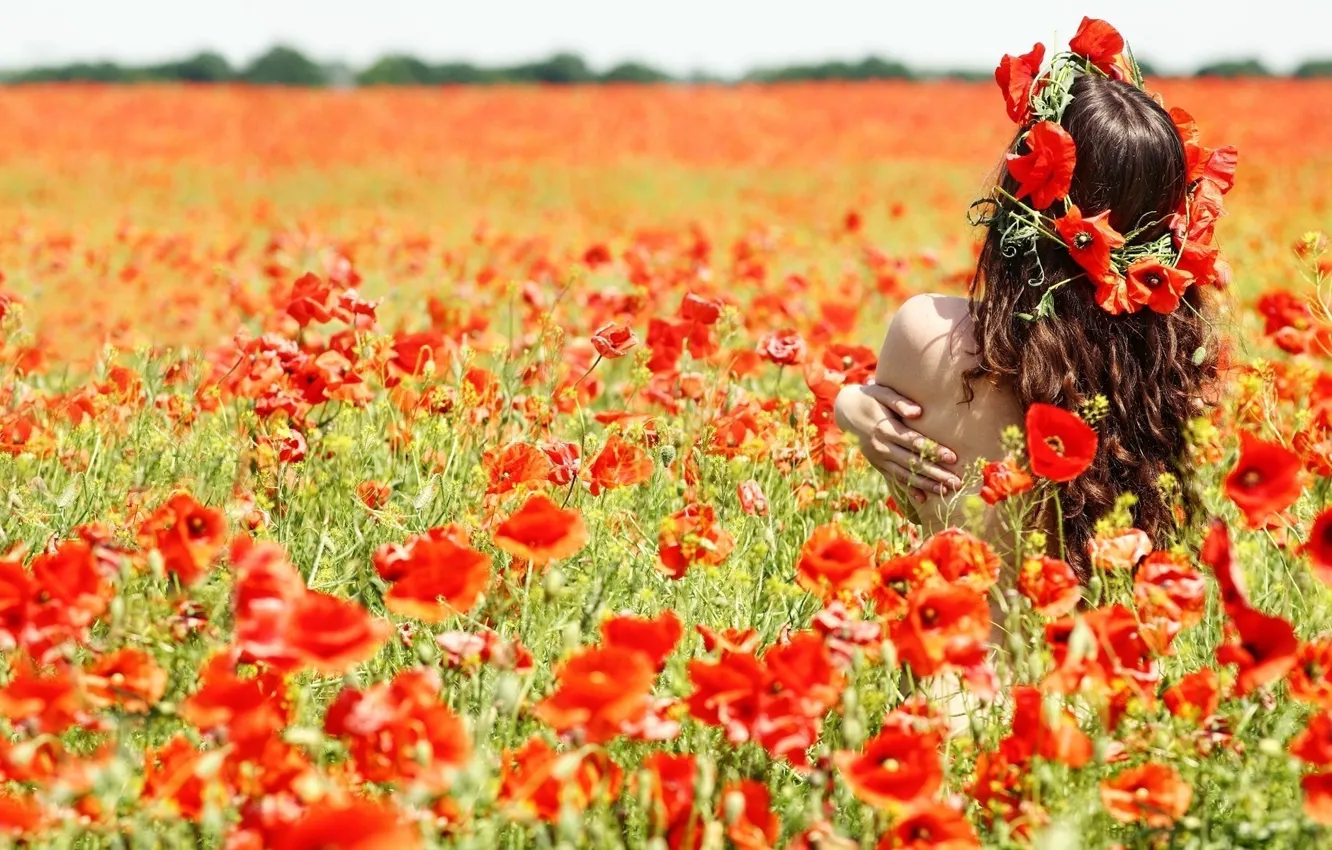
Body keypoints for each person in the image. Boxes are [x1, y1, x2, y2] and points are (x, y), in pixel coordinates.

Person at [834, 20, 1232, 581]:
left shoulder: (925, 334)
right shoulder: (1173, 376)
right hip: (1096, 667)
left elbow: (916, 503)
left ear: (1023, 192)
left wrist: (849, 408)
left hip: (953, 663)